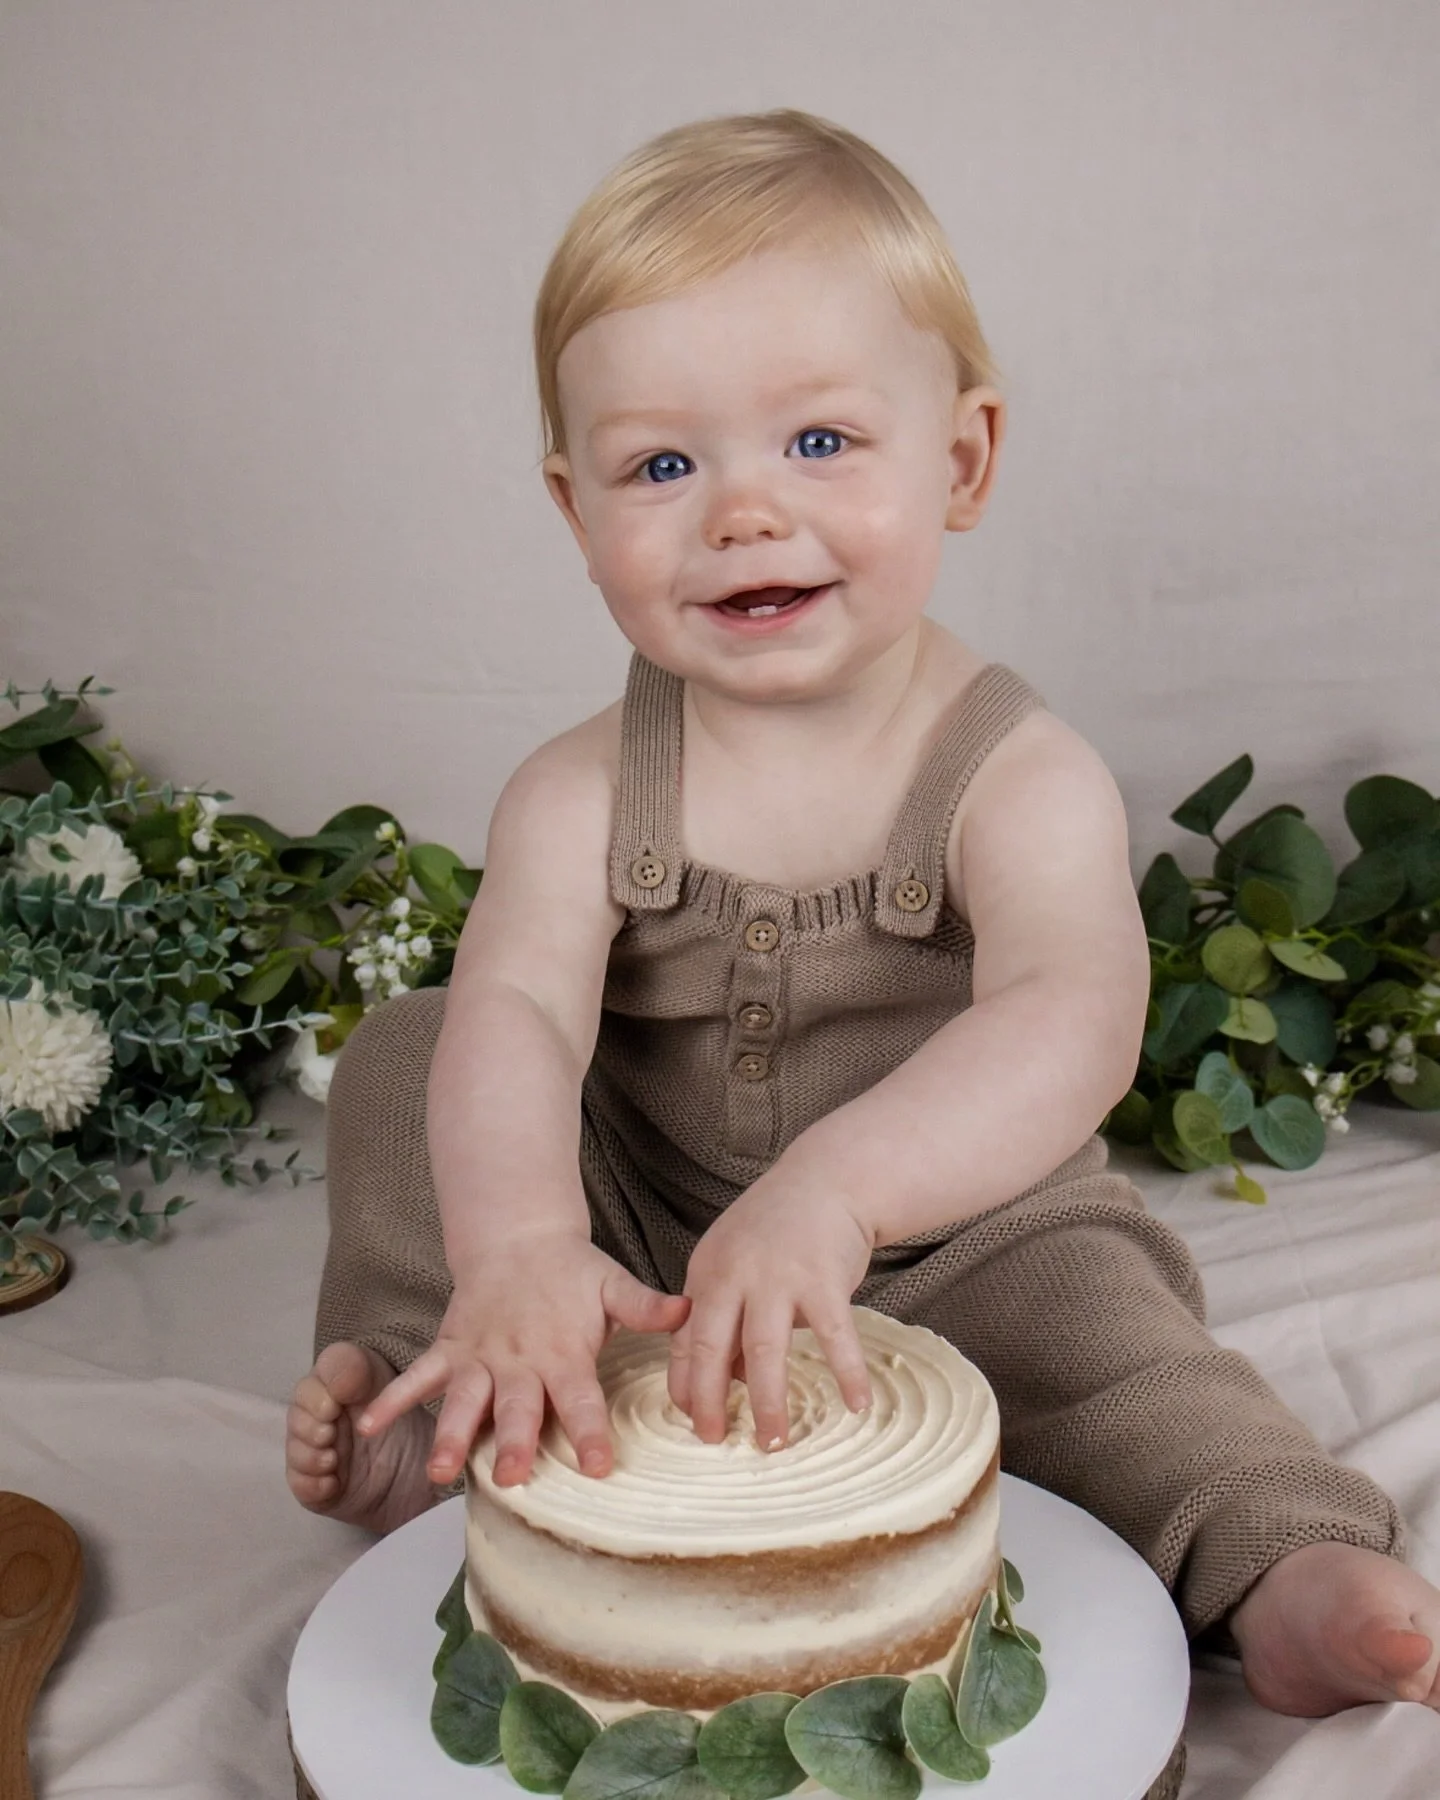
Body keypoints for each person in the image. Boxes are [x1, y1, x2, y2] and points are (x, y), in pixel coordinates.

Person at [284, 107, 1439, 1718]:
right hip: (633, 1233)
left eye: (820, 443)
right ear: (573, 510)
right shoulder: (571, 791)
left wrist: (836, 1195)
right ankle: (455, 1377)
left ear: (960, 459)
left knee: (1109, 1359)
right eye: (662, 465)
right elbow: (526, 1019)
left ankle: (1283, 1563)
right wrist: (532, 1242)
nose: (745, 512)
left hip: (957, 1240)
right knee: (421, 1054)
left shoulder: (1015, 774)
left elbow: (1072, 1015)